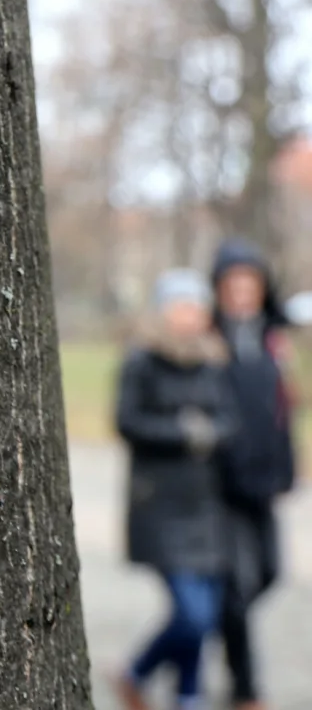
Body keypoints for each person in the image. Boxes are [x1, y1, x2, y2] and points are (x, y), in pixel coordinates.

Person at [113, 269, 240, 710]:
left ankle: (189, 694)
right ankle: (136, 671)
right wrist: (185, 433)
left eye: (198, 306)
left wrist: (210, 432)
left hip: (207, 505)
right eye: (183, 305)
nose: (192, 315)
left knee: (207, 610)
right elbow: (128, 421)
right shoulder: (142, 360)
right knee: (193, 614)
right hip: (160, 506)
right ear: (164, 310)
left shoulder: (214, 361)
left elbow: (230, 420)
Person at [208, 238, 299, 710]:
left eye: (251, 284)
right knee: (235, 588)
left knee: (270, 573)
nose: (242, 293)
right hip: (222, 486)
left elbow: (283, 411)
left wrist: (288, 469)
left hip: (264, 482)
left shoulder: (272, 340)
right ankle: (245, 688)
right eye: (233, 285)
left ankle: (205, 626)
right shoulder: (210, 339)